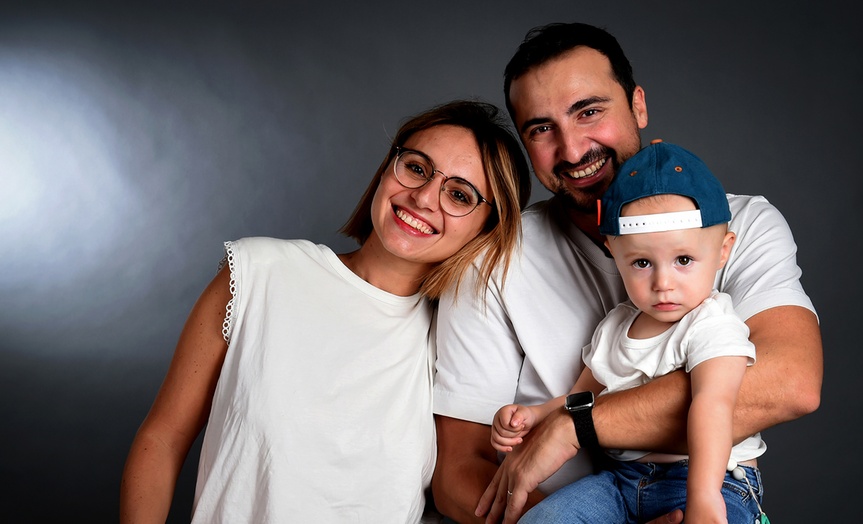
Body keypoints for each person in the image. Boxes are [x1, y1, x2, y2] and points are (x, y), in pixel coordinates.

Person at [431, 23, 822, 524]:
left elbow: (789, 381)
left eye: (589, 111)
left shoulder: (740, 223)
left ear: (637, 104)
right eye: (541, 128)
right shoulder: (493, 261)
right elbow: (459, 472)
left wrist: (578, 427)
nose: (572, 151)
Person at [119, 100, 531, 523]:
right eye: (417, 168)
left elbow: (461, 483)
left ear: (487, 228)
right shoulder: (258, 273)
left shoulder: (462, 345)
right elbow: (164, 437)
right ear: (388, 169)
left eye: (459, 195)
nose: (424, 197)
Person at [493, 141, 766, 524]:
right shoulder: (617, 326)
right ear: (613, 251)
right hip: (619, 482)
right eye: (641, 262)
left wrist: (703, 497)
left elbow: (714, 405)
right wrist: (534, 414)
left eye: (683, 260)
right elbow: (581, 398)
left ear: (723, 251)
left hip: (711, 478)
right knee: (544, 518)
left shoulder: (712, 323)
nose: (663, 283)